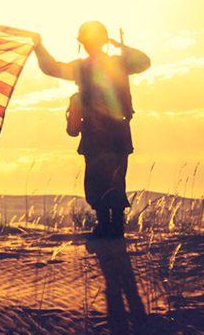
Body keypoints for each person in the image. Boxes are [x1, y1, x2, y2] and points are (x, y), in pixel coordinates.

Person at [34, 21, 151, 238]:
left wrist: (39, 47)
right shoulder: (119, 63)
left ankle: (109, 224)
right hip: (112, 133)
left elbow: (51, 68)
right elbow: (144, 62)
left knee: (100, 178)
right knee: (111, 177)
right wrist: (120, 47)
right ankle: (112, 225)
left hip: (100, 133)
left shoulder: (88, 67)